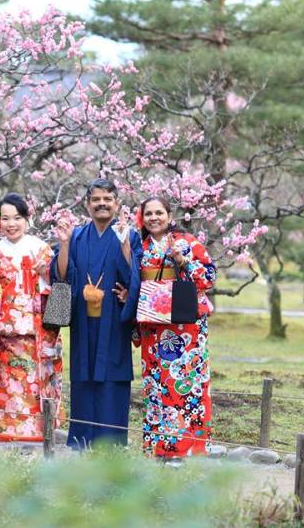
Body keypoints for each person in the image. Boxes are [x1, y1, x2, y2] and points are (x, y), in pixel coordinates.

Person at [53, 178, 142, 448]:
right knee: (82, 377)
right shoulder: (76, 236)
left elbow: (134, 277)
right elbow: (60, 275)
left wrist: (126, 246)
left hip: (113, 319)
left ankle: (111, 445)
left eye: (108, 199)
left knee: (113, 377)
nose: (102, 204)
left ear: (117, 203)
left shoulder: (130, 234)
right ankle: (81, 442)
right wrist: (65, 245)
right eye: (96, 199)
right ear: (87, 204)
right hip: (83, 320)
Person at [130, 196, 216, 457]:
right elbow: (132, 280)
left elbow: (209, 278)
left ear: (169, 215)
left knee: (185, 383)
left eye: (159, 213)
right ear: (142, 218)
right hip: (152, 328)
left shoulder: (187, 242)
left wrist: (183, 261)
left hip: (184, 329)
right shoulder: (139, 246)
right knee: (155, 385)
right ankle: (159, 447)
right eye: (148, 214)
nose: (153, 218)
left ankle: (189, 447)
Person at [0, 193, 63, 442]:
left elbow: (55, 286)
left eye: (17, 218)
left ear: (27, 219)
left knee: (36, 379)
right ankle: (6, 428)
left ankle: (39, 429)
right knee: (7, 381)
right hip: (4, 327)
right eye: (6, 219)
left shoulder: (41, 248)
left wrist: (44, 272)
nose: (11, 223)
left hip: (36, 328)